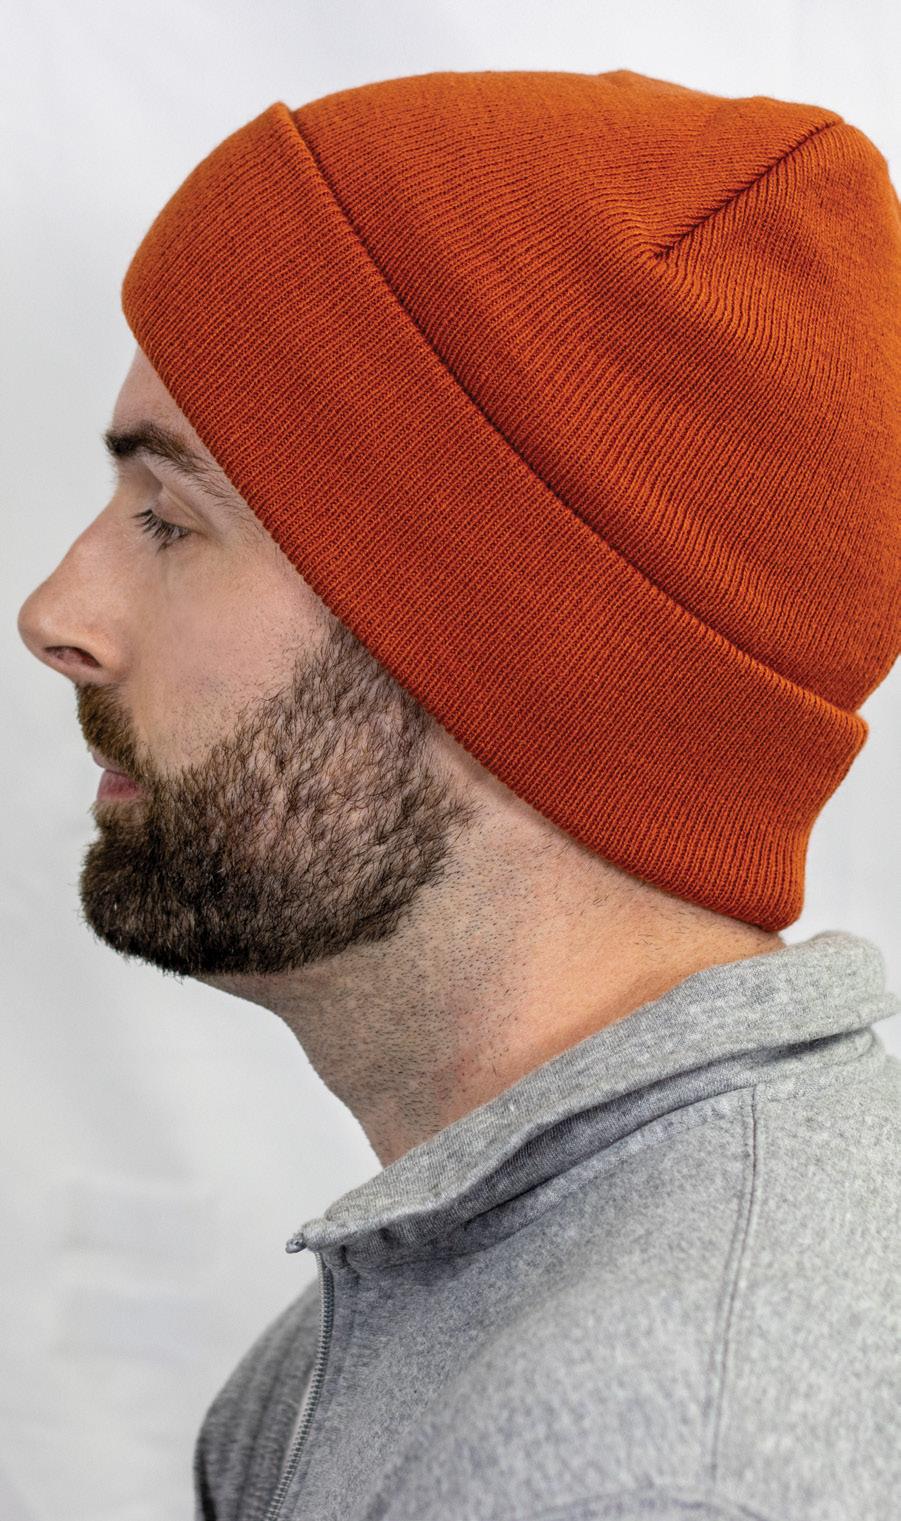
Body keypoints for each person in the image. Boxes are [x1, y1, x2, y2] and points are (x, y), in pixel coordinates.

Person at [16, 66, 900, 1521]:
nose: (56, 615)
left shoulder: (652, 1469)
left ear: (514, 652)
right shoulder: (444, 1310)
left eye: (170, 519)